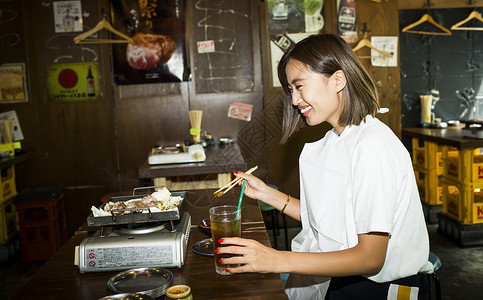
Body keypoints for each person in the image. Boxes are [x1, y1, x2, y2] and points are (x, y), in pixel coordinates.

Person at [216, 33, 434, 299]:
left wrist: (275, 260)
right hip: (346, 280)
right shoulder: (335, 140)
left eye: (299, 86)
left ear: (338, 80)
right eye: (290, 90)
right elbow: (327, 219)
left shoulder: (373, 146)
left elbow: (370, 258)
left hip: (383, 288)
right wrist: (266, 194)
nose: (295, 100)